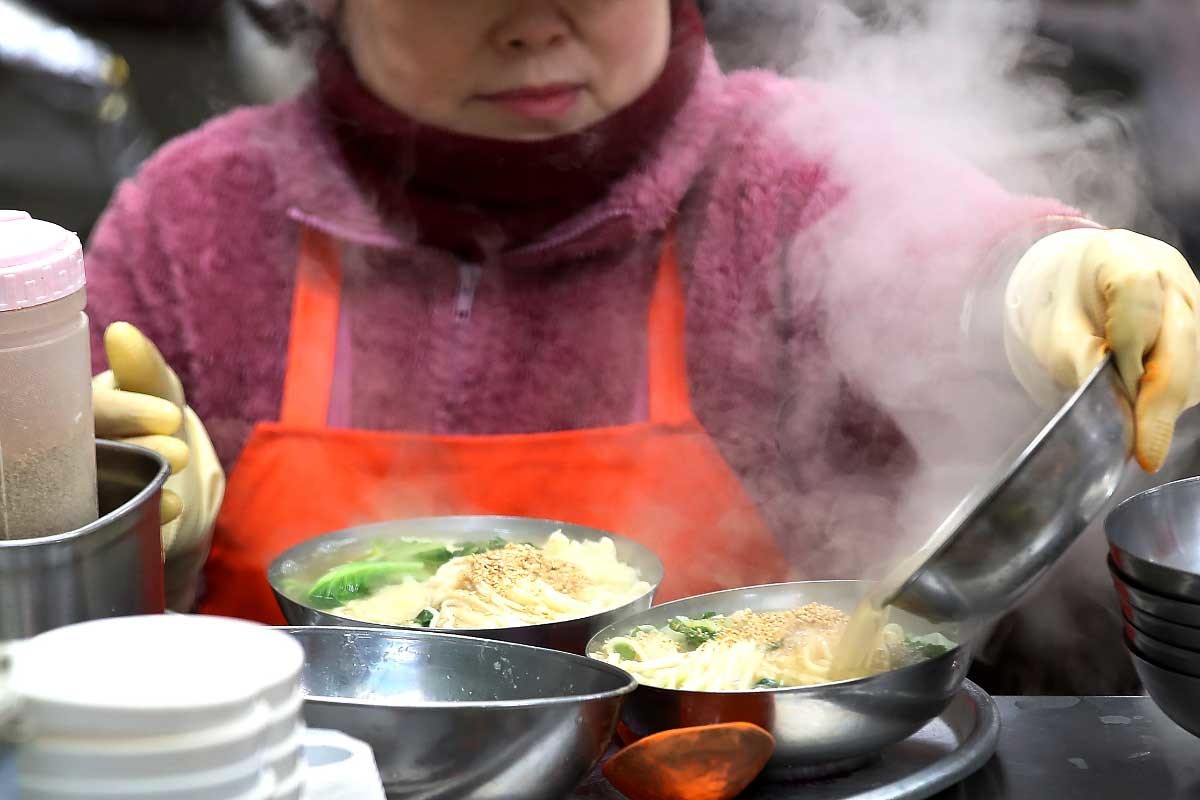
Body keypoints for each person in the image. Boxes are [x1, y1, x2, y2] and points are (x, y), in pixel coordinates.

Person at [86, 0, 1198, 682]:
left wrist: (1048, 273)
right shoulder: (193, 222)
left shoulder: (778, 169)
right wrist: (126, 540)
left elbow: (952, 253)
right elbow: (48, 613)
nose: (531, 19)